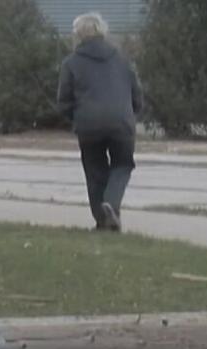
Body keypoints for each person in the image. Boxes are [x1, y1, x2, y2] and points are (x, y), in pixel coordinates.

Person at [56, 12, 143, 232]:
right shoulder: (122, 60)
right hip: (121, 122)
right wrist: (132, 114)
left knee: (95, 171)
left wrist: (75, 119)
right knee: (123, 164)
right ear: (103, 31)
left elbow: (64, 101)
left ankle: (103, 222)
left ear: (77, 35)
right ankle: (111, 205)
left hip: (88, 125)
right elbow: (137, 95)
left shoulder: (71, 63)